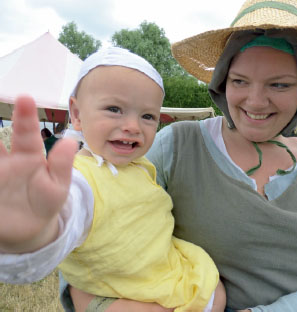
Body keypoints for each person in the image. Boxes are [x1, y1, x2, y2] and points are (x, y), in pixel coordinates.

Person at [1, 0, 297, 311]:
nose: (255, 100)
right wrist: (38, 235)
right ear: (221, 82)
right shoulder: (177, 145)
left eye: (279, 84)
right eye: (239, 81)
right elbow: (99, 231)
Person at [0, 47, 225, 312]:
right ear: (77, 114)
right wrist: (34, 232)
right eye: (114, 109)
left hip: (163, 273)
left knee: (215, 290)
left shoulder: (139, 166)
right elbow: (68, 214)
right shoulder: (80, 178)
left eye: (148, 116)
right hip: (122, 293)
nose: (133, 125)